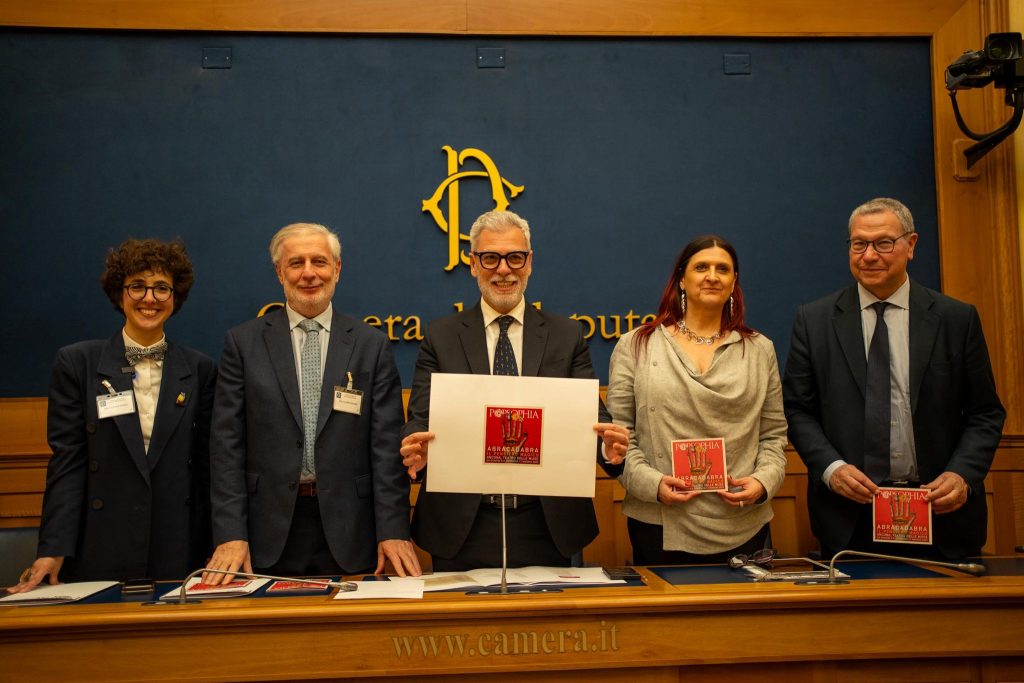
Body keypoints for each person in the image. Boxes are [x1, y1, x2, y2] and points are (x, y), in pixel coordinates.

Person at [400, 210, 630, 570]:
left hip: (546, 523)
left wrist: (607, 447)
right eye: (490, 258)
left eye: (515, 257)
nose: (504, 269)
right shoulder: (440, 337)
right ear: (473, 264)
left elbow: (594, 419)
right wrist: (417, 448)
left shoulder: (566, 336)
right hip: (462, 525)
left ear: (530, 262)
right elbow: (419, 418)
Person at [783, 197, 1005, 560]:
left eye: (884, 243)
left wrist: (963, 475)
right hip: (850, 517)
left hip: (941, 513)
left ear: (911, 245)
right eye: (859, 244)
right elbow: (796, 410)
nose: (869, 255)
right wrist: (831, 469)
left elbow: (986, 412)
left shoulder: (956, 319)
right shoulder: (814, 321)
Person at [204, 222, 419, 584]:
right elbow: (226, 447)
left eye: (319, 261)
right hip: (265, 533)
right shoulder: (243, 344)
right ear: (279, 272)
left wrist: (394, 529)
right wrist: (229, 533)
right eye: (296, 263)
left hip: (352, 531)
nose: (308, 273)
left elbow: (386, 449)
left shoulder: (370, 345)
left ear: (337, 269)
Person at [9, 239, 216, 593]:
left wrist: (218, 544)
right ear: (119, 293)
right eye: (137, 286)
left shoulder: (200, 369)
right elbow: (68, 463)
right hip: (100, 546)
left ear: (175, 296)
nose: (149, 298)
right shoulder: (77, 363)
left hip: (179, 549)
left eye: (161, 287)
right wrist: (52, 549)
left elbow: (209, 470)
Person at [607, 235, 788, 565]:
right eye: (701, 267)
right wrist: (652, 484)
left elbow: (773, 436)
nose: (712, 276)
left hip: (744, 521)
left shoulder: (761, 350)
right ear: (681, 279)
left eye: (723, 269)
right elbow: (618, 438)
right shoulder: (636, 346)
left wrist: (762, 482)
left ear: (734, 282)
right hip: (659, 522)